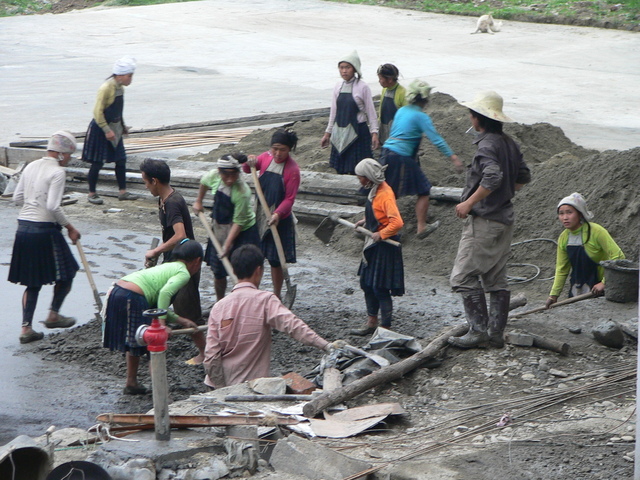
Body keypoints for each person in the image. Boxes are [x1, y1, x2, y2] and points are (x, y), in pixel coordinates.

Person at [448, 91, 531, 349]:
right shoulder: (509, 142)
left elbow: (492, 178)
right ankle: (495, 332)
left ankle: (478, 331)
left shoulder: (486, 145)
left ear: (478, 119)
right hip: (504, 218)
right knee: (496, 277)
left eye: (472, 115)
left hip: (484, 220)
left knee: (462, 277)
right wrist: (506, 189)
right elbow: (524, 176)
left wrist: (469, 202)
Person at [204, 244, 344, 388]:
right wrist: (325, 345)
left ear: (233, 270)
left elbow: (210, 356)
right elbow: (294, 326)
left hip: (216, 384)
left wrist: (220, 388)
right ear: (259, 271)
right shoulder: (265, 300)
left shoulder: (218, 307)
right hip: (251, 386)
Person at [103, 239, 203, 394]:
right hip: (134, 296)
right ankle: (160, 392)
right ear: (197, 261)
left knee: (135, 339)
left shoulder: (168, 267)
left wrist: (181, 320)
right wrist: (162, 326)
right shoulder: (183, 273)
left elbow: (157, 306)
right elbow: (165, 293)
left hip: (119, 292)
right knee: (154, 343)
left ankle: (131, 382)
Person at [9, 131, 81, 344]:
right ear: (60, 154)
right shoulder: (57, 172)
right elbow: (52, 206)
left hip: (23, 229)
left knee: (33, 282)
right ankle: (53, 314)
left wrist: (33, 206)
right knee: (68, 272)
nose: (67, 160)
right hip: (44, 230)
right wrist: (69, 227)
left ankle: (26, 329)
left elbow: (17, 198)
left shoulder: (31, 166)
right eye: (67, 156)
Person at [139, 158, 206, 365]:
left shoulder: (173, 203)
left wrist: (156, 250)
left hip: (184, 262)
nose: (145, 186)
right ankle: (148, 345)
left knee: (189, 311)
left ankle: (206, 353)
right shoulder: (166, 199)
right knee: (155, 302)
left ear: (155, 180)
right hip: (173, 260)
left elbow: (179, 235)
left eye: (146, 181)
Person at [379, 79, 463, 238]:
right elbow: (436, 139)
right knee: (424, 190)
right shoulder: (421, 117)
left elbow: (397, 133)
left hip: (386, 153)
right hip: (401, 157)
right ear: (425, 99)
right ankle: (421, 226)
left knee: (387, 191)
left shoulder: (402, 111)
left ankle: (369, 220)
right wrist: (453, 158)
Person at [193, 153, 260, 300]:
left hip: (243, 231)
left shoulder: (242, 192)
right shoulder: (213, 176)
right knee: (219, 271)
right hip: (220, 227)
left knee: (245, 270)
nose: (230, 180)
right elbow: (204, 182)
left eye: (234, 175)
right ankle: (220, 303)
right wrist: (199, 201)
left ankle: (248, 301)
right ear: (219, 171)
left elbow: (239, 221)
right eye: (226, 175)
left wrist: (227, 245)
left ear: (238, 173)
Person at [350, 158, 405, 336]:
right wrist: (366, 221)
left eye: (360, 178)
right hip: (373, 244)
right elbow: (379, 213)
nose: (359, 181)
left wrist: (381, 234)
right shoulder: (374, 190)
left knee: (379, 287)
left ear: (368, 177)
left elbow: (397, 222)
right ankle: (371, 323)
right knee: (367, 284)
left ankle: (386, 328)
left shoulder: (385, 194)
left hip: (384, 246)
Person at [243, 129, 300, 299]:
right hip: (261, 215)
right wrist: (249, 161)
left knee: (276, 261)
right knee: (256, 257)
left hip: (279, 219)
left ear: (289, 149)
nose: (278, 153)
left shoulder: (292, 170)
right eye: (275, 148)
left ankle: (277, 295)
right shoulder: (265, 158)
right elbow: (247, 169)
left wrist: (277, 214)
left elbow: (289, 199)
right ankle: (252, 291)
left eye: (282, 149)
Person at [546, 192, 624, 308]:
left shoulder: (596, 231)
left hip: (600, 289)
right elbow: (562, 269)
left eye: (569, 212)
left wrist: (604, 282)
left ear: (580, 214)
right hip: (577, 288)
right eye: (561, 214)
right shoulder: (564, 237)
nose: (565, 217)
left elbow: (618, 257)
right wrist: (553, 295)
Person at [82, 56, 139, 205]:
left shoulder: (120, 88)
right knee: (97, 162)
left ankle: (123, 192)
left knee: (121, 160)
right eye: (129, 76)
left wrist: (123, 125)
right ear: (120, 75)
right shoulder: (106, 88)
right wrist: (106, 130)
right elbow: (97, 112)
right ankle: (92, 193)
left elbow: (118, 111)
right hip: (101, 129)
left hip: (115, 128)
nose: (130, 79)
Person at [320, 50, 379, 175]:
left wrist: (374, 133)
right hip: (339, 134)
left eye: (347, 67)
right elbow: (334, 113)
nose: (344, 71)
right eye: (341, 67)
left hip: (358, 134)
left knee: (358, 171)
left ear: (355, 69)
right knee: (340, 170)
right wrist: (327, 134)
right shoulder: (337, 87)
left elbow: (371, 112)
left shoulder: (363, 87)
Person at [376, 63, 407, 145]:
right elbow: (380, 114)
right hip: (384, 131)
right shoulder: (384, 90)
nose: (379, 81)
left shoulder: (402, 93)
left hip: (396, 136)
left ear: (389, 79)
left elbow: (407, 118)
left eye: (381, 78)